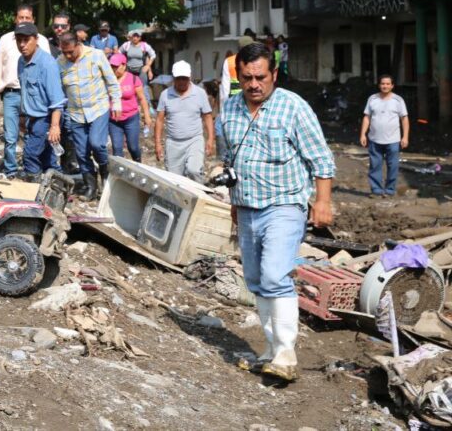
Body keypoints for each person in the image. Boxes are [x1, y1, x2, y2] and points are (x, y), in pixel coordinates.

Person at [220, 42, 334, 382]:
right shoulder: (230, 108)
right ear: (238, 76)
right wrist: (234, 204)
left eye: (261, 77)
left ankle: (285, 354)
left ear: (273, 75)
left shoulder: (293, 107)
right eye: (247, 78)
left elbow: (321, 159)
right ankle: (270, 351)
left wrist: (323, 202)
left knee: (274, 275)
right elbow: (232, 160)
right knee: (256, 280)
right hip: (247, 206)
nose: (254, 84)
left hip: (284, 204)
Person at [57, 33, 122, 198]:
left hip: (98, 108)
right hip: (76, 113)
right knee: (81, 152)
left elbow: (111, 81)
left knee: (97, 144)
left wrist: (116, 102)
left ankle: (106, 175)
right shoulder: (60, 63)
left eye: (71, 52)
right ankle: (90, 186)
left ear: (78, 44)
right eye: (64, 52)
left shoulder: (96, 55)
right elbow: (59, 89)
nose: (68, 56)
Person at [0, 4, 50, 175]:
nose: (24, 20)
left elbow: (46, 66)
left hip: (32, 93)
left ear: (33, 20)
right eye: (21, 17)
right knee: (10, 135)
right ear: (15, 19)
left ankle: (31, 168)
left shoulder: (41, 40)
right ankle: (11, 170)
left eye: (27, 18)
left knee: (32, 133)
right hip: (11, 93)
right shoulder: (5, 39)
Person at [15, 23, 66, 175]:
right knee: (47, 159)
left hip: (47, 118)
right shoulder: (21, 61)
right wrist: (23, 116)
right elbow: (25, 91)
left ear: (36, 39)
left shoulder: (47, 63)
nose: (22, 45)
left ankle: (34, 186)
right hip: (32, 117)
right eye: (19, 40)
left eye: (26, 40)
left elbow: (57, 101)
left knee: (30, 155)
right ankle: (59, 184)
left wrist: (54, 126)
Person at [154, 61, 214, 183]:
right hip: (173, 143)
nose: (181, 82)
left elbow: (207, 116)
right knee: (175, 180)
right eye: (178, 78)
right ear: (173, 78)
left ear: (189, 77)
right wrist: (158, 143)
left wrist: (210, 139)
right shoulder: (165, 95)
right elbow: (159, 120)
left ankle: (199, 192)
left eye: (184, 78)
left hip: (194, 140)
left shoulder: (200, 93)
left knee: (194, 171)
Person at [360, 74, 409, 197]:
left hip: (393, 140)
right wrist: (363, 134)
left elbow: (404, 119)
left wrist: (405, 137)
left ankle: (390, 190)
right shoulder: (372, 99)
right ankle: (376, 190)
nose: (385, 86)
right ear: (379, 85)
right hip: (374, 139)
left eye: (387, 84)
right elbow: (367, 117)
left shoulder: (398, 100)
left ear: (392, 86)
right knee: (375, 165)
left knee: (393, 165)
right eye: (382, 84)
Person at [109, 52, 152, 162]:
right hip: (114, 121)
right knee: (117, 150)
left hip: (131, 118)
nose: (113, 69)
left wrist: (147, 116)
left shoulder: (133, 79)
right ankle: (120, 170)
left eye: (116, 66)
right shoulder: (108, 80)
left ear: (124, 65)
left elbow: (142, 99)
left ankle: (138, 165)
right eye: (111, 66)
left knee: (133, 147)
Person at [119, 30, 156, 99]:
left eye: (137, 36)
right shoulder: (127, 45)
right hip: (129, 69)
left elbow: (153, 55)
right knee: (129, 86)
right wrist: (122, 65)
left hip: (141, 69)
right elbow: (118, 53)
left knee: (143, 87)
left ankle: (147, 103)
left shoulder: (144, 45)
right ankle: (131, 102)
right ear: (131, 37)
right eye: (134, 36)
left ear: (140, 38)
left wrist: (148, 66)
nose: (135, 38)